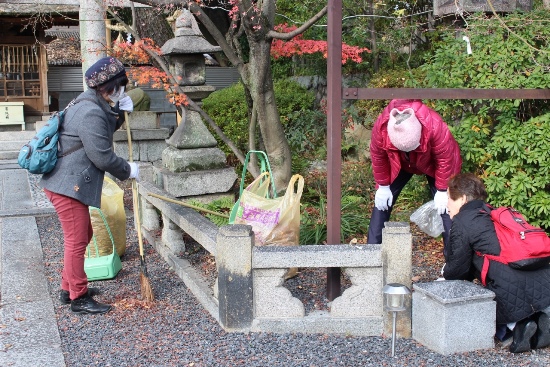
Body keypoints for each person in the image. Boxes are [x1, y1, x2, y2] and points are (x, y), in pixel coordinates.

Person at [40, 56, 138, 315]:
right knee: (77, 239)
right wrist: (129, 170)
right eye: (120, 86)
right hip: (66, 185)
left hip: (66, 181)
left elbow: (101, 132)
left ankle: (67, 288)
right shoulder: (90, 110)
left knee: (84, 236)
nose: (122, 91)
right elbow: (102, 155)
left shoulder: (89, 101)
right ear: (110, 86)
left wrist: (120, 113)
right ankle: (79, 298)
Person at [443, 173, 550, 353]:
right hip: (541, 277)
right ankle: (539, 321)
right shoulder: (492, 212)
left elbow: (457, 270)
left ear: (462, 198)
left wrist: (445, 273)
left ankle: (518, 328)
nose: (447, 204)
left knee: (499, 313)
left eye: (449, 198)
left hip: (509, 288)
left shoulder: (463, 221)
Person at [367, 99, 462, 252]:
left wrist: (443, 190)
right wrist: (383, 186)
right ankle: (370, 255)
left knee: (447, 206)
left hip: (433, 162)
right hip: (400, 162)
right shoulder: (382, 128)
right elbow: (378, 157)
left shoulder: (435, 126)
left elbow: (446, 159)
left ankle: (454, 263)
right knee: (381, 203)